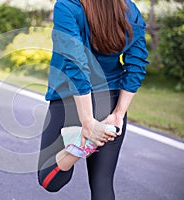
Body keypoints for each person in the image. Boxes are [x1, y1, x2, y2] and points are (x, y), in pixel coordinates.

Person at [37, 0, 149, 199]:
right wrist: (118, 114)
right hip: (112, 102)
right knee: (103, 184)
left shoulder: (67, 6)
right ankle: (84, 142)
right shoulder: (129, 9)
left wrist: (87, 121)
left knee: (49, 179)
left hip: (70, 101)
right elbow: (137, 64)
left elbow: (76, 63)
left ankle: (79, 147)